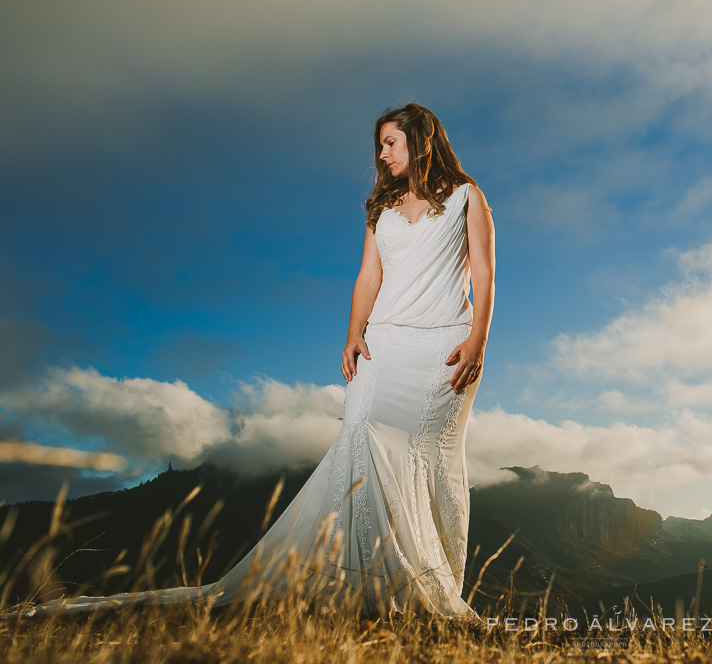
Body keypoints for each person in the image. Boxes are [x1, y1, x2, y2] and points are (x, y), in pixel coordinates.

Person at [6, 103, 495, 619]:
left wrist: (478, 340)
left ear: (419, 141)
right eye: (379, 144)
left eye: (390, 142)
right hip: (383, 347)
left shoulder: (467, 196)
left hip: (443, 352)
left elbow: (482, 273)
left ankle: (425, 589)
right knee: (362, 437)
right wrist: (353, 333)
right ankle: (362, 590)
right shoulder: (383, 208)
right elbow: (368, 276)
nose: (382, 153)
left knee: (426, 462)